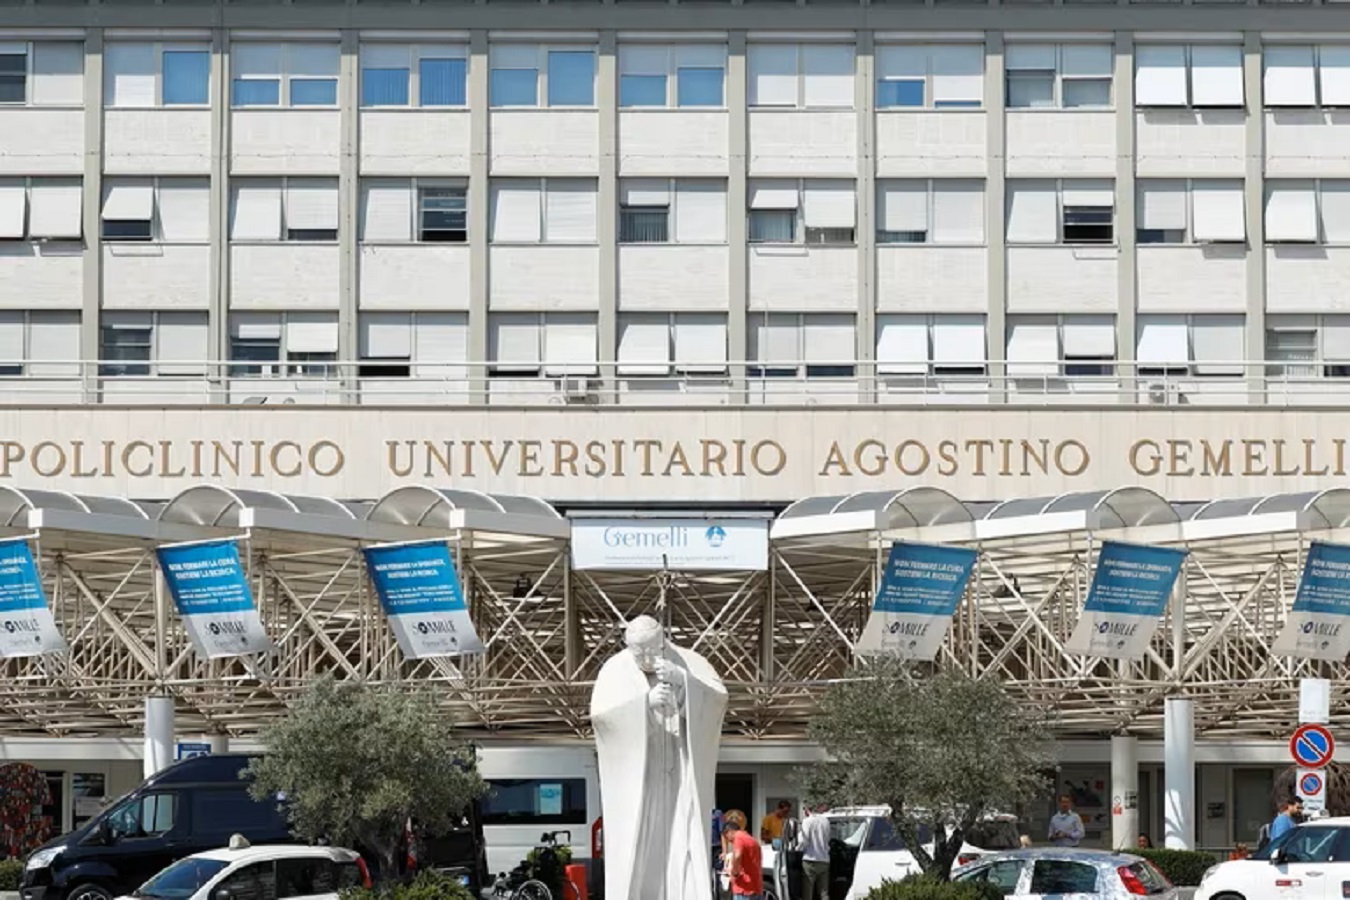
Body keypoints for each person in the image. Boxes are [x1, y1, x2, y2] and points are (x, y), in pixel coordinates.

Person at [590, 615, 730, 900]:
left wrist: (684, 684)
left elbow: (718, 700)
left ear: (663, 640)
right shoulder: (613, 670)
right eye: (637, 651)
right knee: (642, 840)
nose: (644, 657)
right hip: (641, 777)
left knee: (682, 835)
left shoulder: (692, 662)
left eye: (651, 650)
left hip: (680, 772)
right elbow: (602, 717)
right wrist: (645, 705)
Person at [724, 812, 764, 900]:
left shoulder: (738, 838)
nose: (729, 841)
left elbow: (737, 855)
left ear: (729, 832)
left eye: (726, 837)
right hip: (756, 886)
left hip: (743, 888)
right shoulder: (752, 840)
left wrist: (734, 872)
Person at [799, 802, 831, 900]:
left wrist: (798, 848)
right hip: (824, 859)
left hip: (810, 859)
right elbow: (827, 839)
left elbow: (803, 841)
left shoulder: (807, 821)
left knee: (808, 891)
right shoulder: (826, 821)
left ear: (807, 810)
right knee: (824, 892)